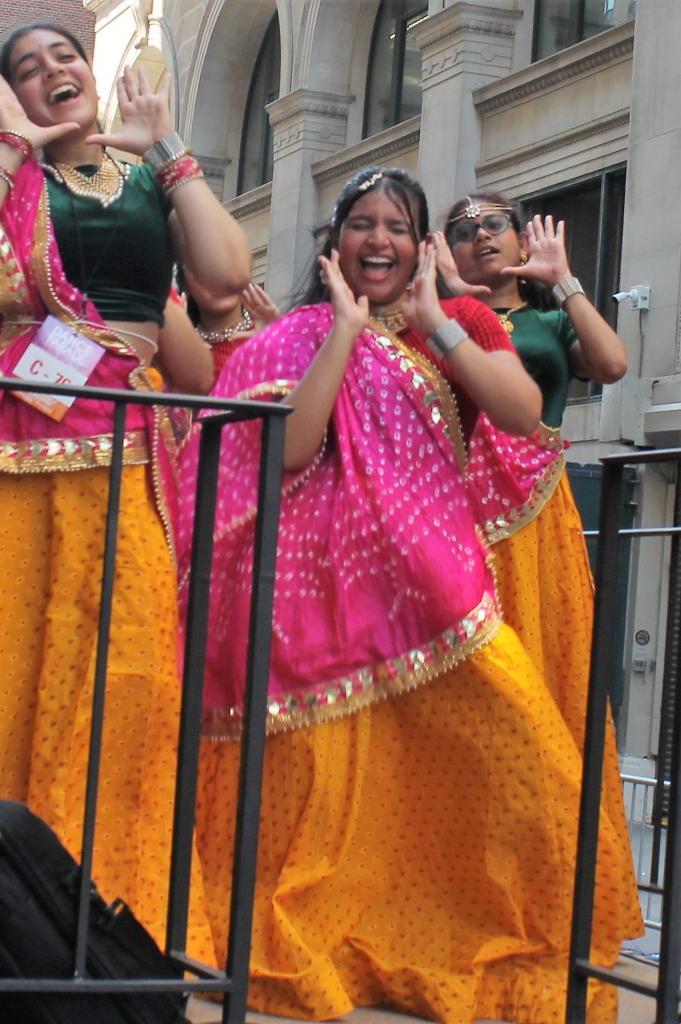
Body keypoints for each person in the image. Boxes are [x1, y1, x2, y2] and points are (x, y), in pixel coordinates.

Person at [181, 167, 641, 1023]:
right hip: (320, 603)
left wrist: (437, 321)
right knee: (332, 789)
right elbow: (289, 453)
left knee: (529, 758)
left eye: (398, 225)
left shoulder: (462, 320)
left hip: (438, 594)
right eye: (363, 222)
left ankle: (506, 930)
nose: (380, 240)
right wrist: (343, 335)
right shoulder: (295, 336)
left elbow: (522, 413)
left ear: (422, 245)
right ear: (336, 240)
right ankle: (350, 936)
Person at [0, 22, 251, 958]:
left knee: (120, 676)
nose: (52, 75)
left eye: (64, 58)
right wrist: (6, 146)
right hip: (1, 449)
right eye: (28, 71)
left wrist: (168, 145)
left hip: (119, 450)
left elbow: (226, 277)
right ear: (14, 96)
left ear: (93, 72)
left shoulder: (150, 178)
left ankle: (100, 908)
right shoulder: (3, 181)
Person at [436, 193, 628, 749]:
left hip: (534, 514)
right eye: (463, 231)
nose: (480, 235)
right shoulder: (437, 322)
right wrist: (450, 297)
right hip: (452, 513)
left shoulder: (549, 323)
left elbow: (612, 364)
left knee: (538, 647)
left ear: (522, 241)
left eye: (494, 224)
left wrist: (564, 280)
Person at [178, 263, 280, 376]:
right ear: (185, 285)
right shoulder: (173, 351)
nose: (218, 276)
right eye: (202, 262)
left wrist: (278, 347)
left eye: (226, 262)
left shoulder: (273, 337)